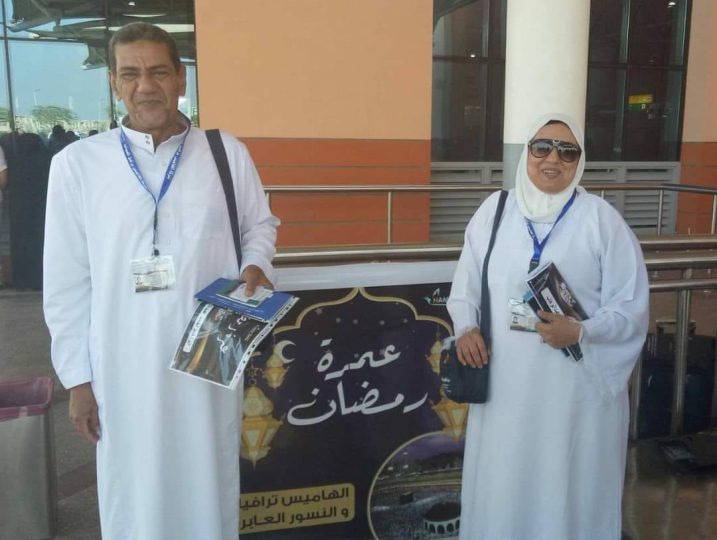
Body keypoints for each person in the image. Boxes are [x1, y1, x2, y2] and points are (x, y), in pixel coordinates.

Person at [43, 22, 279, 540]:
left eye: (158, 72)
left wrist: (256, 264)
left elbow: (260, 225)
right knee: (135, 490)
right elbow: (65, 281)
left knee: (206, 479)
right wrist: (78, 382)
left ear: (180, 79)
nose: (145, 86)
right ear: (114, 83)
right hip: (121, 366)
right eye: (130, 74)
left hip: (210, 357)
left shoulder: (225, 153)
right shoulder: (78, 165)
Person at [447, 113, 649, 540]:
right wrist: (466, 327)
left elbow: (631, 307)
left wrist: (581, 332)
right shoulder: (494, 211)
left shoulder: (602, 221)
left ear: (580, 160)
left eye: (567, 151)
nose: (552, 159)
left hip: (574, 395)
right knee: (505, 481)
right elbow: (465, 283)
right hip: (505, 391)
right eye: (542, 147)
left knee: (567, 483)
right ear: (527, 153)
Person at [0, 132, 50, 289]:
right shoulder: (46, 164)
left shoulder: (17, 166)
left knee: (20, 243)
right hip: (40, 213)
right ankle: (39, 279)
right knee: (39, 243)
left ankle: (21, 280)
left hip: (19, 212)